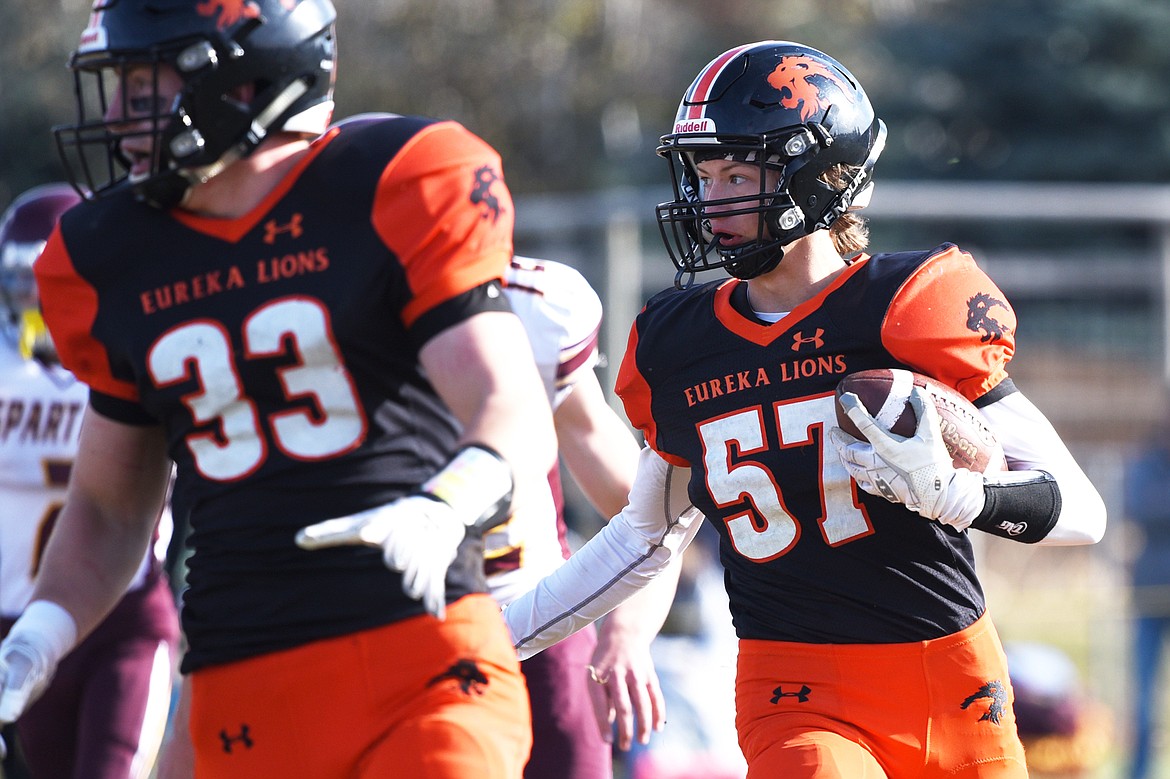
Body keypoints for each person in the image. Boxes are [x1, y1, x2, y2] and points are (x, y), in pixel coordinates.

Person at [502, 40, 1107, 778]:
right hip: (796, 689)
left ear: (818, 177)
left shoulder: (909, 308)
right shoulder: (679, 344)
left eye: (735, 172)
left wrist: (961, 495)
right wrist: (496, 636)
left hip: (954, 680)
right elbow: (642, 538)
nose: (709, 199)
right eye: (702, 173)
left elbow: (1081, 510)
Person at [0, 2, 559, 778]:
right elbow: (109, 504)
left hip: (420, 655)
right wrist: (40, 634)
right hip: (238, 687)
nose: (120, 119)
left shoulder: (391, 180)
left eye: (141, 85)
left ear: (244, 76)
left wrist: (448, 502)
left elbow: (508, 403)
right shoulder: (112, 254)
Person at [155, 250, 681, 779]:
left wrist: (627, 634)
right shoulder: (296, 316)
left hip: (531, 620)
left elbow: (648, 512)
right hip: (367, 634)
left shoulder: (530, 307)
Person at [0, 183, 181, 779]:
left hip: (122, 620)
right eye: (23, 276)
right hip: (15, 625)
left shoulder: (139, 353)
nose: (36, 294)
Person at [1122, 405, 1170, 779]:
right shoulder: (1146, 464)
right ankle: (1138, 771)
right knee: (1143, 699)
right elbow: (1140, 508)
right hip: (1150, 595)